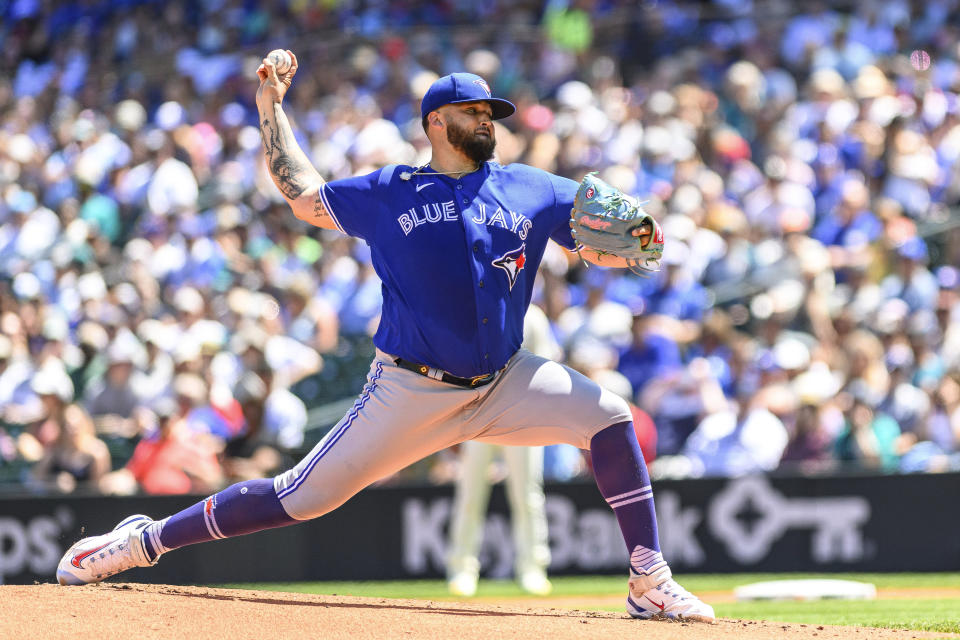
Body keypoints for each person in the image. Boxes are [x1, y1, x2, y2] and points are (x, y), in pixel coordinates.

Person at [56, 55, 714, 623]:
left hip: (507, 380)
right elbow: (301, 192)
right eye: (474, 111)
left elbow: (603, 229)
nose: (489, 122)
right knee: (298, 499)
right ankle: (145, 541)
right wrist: (270, 107)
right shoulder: (391, 189)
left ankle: (649, 580)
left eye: (493, 113)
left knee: (609, 417)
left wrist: (629, 241)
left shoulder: (531, 187)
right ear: (437, 122)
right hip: (410, 388)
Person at [445, 304, 557, 597]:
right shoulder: (478, 310)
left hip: (523, 417)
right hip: (480, 416)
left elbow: (545, 369)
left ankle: (533, 569)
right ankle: (462, 570)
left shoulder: (533, 316)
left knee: (527, 495)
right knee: (470, 492)